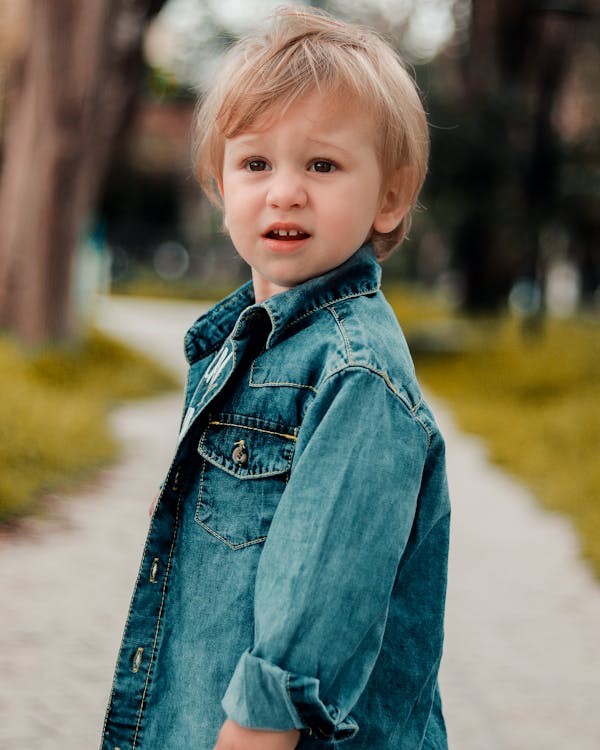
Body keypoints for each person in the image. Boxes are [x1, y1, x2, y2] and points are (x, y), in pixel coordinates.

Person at [100, 6, 450, 749]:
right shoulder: (247, 343)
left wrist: (258, 728)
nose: (284, 191)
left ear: (390, 196)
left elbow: (326, 585)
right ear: (220, 185)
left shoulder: (356, 373)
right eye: (256, 164)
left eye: (321, 165)